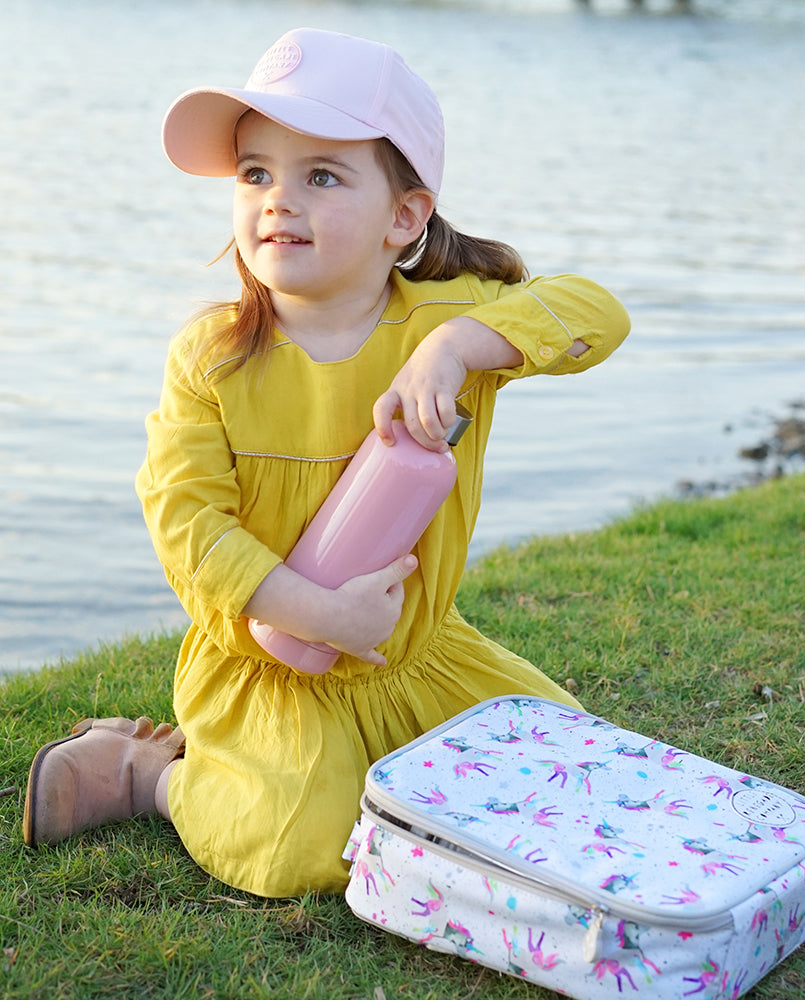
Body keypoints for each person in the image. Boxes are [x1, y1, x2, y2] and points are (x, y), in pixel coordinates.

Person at [22, 27, 629, 897]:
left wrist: (461, 344)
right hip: (273, 665)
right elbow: (186, 523)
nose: (278, 200)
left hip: (415, 660)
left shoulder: (445, 326)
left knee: (572, 775)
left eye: (322, 176)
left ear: (404, 217)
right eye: (257, 173)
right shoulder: (212, 358)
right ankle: (144, 773)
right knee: (297, 853)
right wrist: (310, 609)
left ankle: (336, 758)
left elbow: (598, 313)